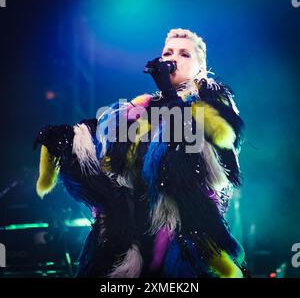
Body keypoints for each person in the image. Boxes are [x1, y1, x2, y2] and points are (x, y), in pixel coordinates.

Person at [33, 28, 249, 278]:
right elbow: (106, 159)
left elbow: (192, 150)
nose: (173, 58)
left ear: (201, 67)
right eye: (168, 52)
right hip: (137, 232)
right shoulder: (141, 109)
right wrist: (67, 140)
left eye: (184, 54)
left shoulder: (214, 104)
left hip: (187, 237)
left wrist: (169, 93)